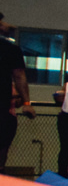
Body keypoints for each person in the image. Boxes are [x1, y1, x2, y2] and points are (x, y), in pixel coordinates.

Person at [1, 11, 36, 171]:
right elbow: (19, 76)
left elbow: (19, 76)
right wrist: (26, 103)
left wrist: (26, 102)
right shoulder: (10, 49)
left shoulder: (9, 49)